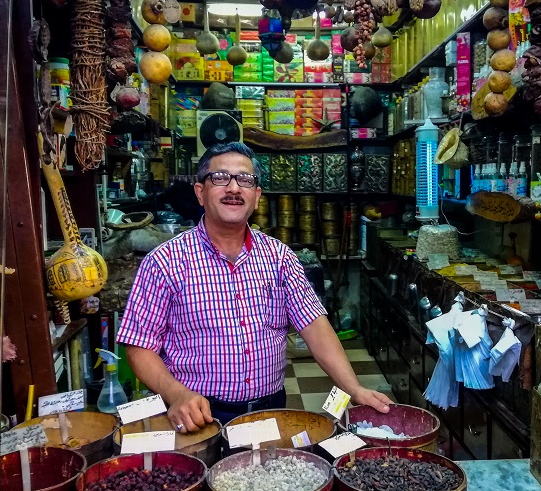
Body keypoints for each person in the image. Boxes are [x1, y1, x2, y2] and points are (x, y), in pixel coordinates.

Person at [117, 142, 392, 430]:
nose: (234, 189)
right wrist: (177, 395)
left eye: (245, 180)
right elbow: (139, 345)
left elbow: (314, 326)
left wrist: (354, 388)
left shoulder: (280, 257)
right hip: (199, 415)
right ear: (200, 192)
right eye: (220, 178)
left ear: (257, 196)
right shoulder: (164, 261)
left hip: (270, 411)